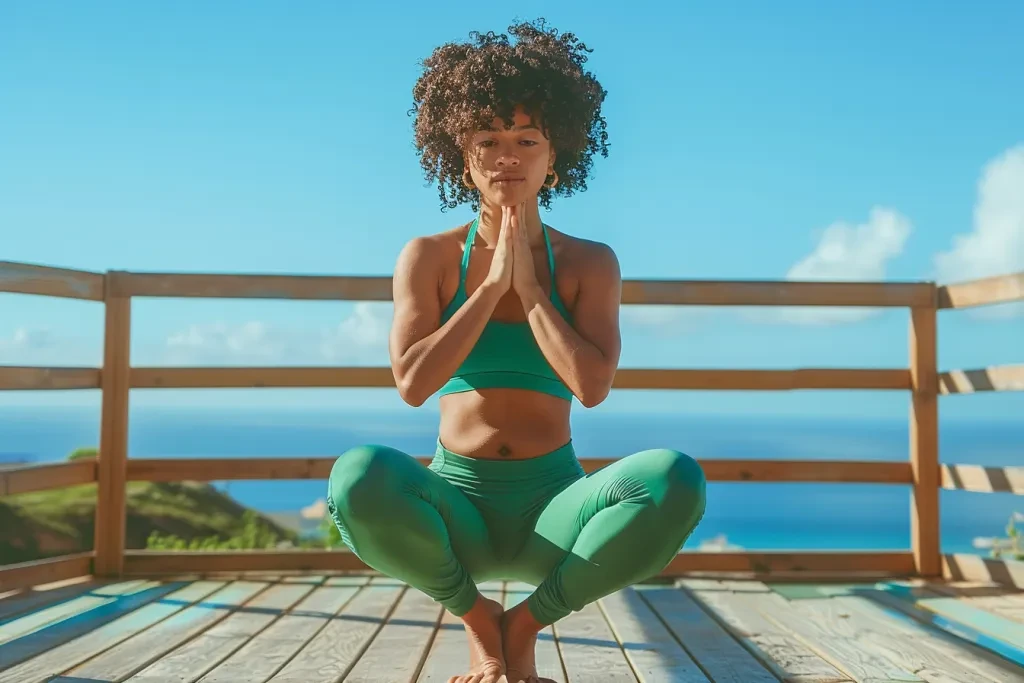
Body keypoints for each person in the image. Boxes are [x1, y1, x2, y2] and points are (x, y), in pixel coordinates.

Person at [327, 19, 706, 683]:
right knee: (357, 476)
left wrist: (530, 288)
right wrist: (491, 284)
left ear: (553, 154)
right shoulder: (430, 257)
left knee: (676, 477)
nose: (508, 155)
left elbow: (591, 386)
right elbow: (413, 383)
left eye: (526, 139)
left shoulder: (590, 261)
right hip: (455, 510)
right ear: (462, 156)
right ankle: (478, 619)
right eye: (488, 140)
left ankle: (525, 623)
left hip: (554, 513)